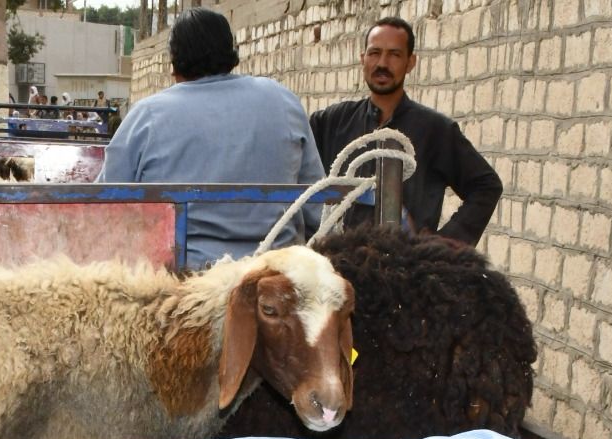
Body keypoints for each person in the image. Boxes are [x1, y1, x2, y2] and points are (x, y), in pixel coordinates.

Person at [98, 7, 323, 271]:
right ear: (231, 53)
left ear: (174, 62)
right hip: (275, 274)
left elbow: (102, 206)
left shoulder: (147, 115)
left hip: (183, 279)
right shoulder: (282, 100)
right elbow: (316, 206)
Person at [308, 16, 502, 245]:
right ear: (363, 59)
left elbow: (486, 186)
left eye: (394, 54)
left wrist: (443, 245)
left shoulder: (435, 130)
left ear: (411, 62)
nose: (382, 63)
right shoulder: (330, 122)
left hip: (404, 263)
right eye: (374, 53)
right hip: (338, 262)